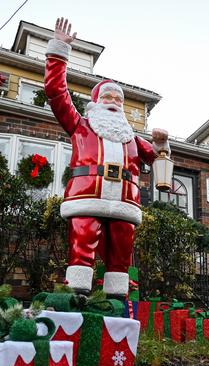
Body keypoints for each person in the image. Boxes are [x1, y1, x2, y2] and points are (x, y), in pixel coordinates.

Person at [45, 18, 170, 298]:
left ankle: (116, 296)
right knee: (82, 242)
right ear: (96, 102)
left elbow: (157, 160)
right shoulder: (81, 126)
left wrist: (162, 144)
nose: (114, 101)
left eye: (118, 99)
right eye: (108, 97)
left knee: (121, 251)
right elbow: (56, 92)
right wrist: (59, 52)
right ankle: (77, 292)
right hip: (88, 196)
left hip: (125, 203)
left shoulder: (133, 139)